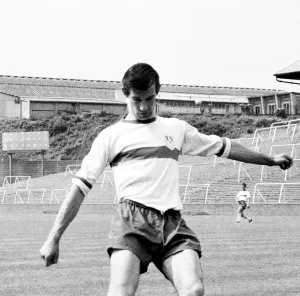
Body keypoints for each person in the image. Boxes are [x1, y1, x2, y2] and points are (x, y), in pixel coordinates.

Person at [40, 63, 293, 296]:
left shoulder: (176, 129)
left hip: (172, 222)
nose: (143, 107)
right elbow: (80, 187)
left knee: (194, 290)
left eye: (149, 99)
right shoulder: (110, 137)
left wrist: (268, 159)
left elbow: (224, 146)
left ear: (157, 92)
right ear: (125, 95)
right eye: (136, 100)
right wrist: (54, 237)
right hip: (131, 221)